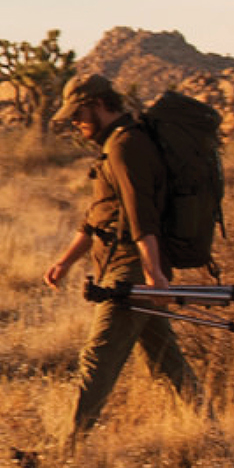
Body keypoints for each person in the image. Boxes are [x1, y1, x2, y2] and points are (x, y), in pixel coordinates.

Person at [39, 75, 198, 443]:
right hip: (119, 263)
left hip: (131, 267)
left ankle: (66, 450)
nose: (77, 124)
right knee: (166, 360)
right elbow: (99, 216)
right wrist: (65, 261)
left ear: (97, 104)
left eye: (78, 115)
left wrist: (153, 272)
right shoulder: (115, 145)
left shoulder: (127, 145)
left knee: (98, 358)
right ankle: (212, 435)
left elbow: (142, 214)